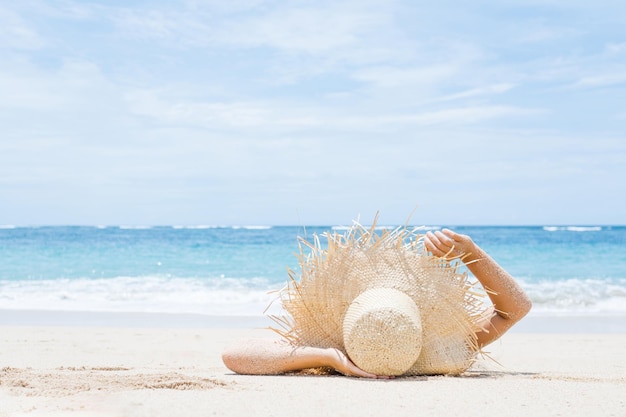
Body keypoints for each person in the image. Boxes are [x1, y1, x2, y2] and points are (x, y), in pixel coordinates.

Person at [222, 229, 532, 379]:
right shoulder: (438, 346)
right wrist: (471, 255)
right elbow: (515, 309)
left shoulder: (344, 344)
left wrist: (328, 356)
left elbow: (235, 355)